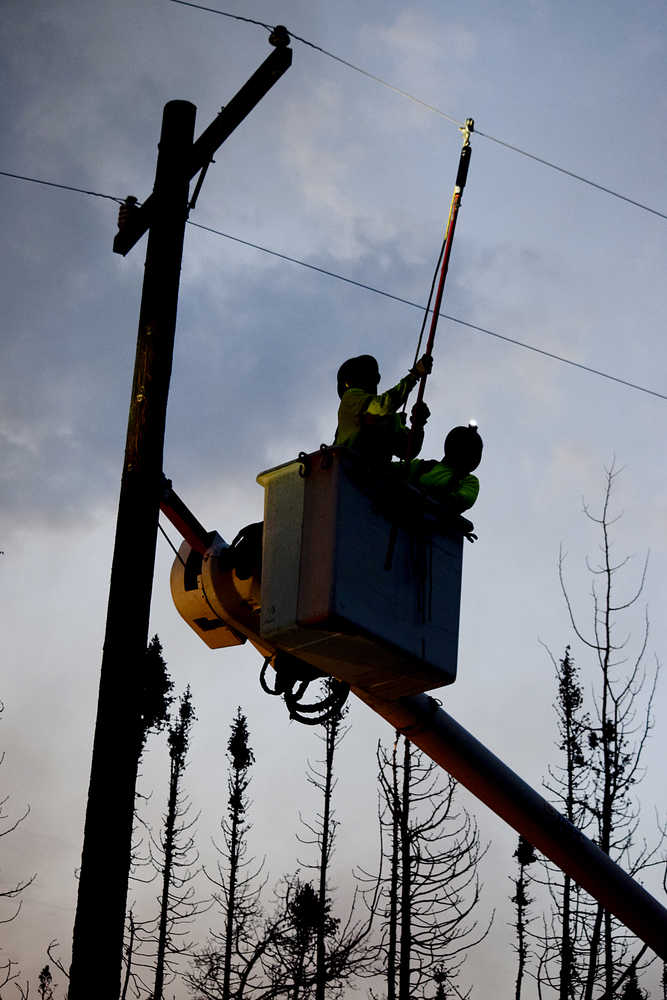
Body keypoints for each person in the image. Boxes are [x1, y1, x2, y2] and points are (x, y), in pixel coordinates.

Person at [333, 353, 432, 465]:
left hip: (369, 477)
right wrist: (415, 374)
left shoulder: (387, 419)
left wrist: (418, 424)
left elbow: (408, 450)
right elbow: (384, 405)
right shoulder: (350, 398)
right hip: (349, 471)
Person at [409, 422, 483, 515]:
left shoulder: (469, 481)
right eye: (458, 445)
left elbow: (462, 500)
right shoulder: (423, 465)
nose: (460, 451)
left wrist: (433, 494)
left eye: (466, 449)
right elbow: (395, 468)